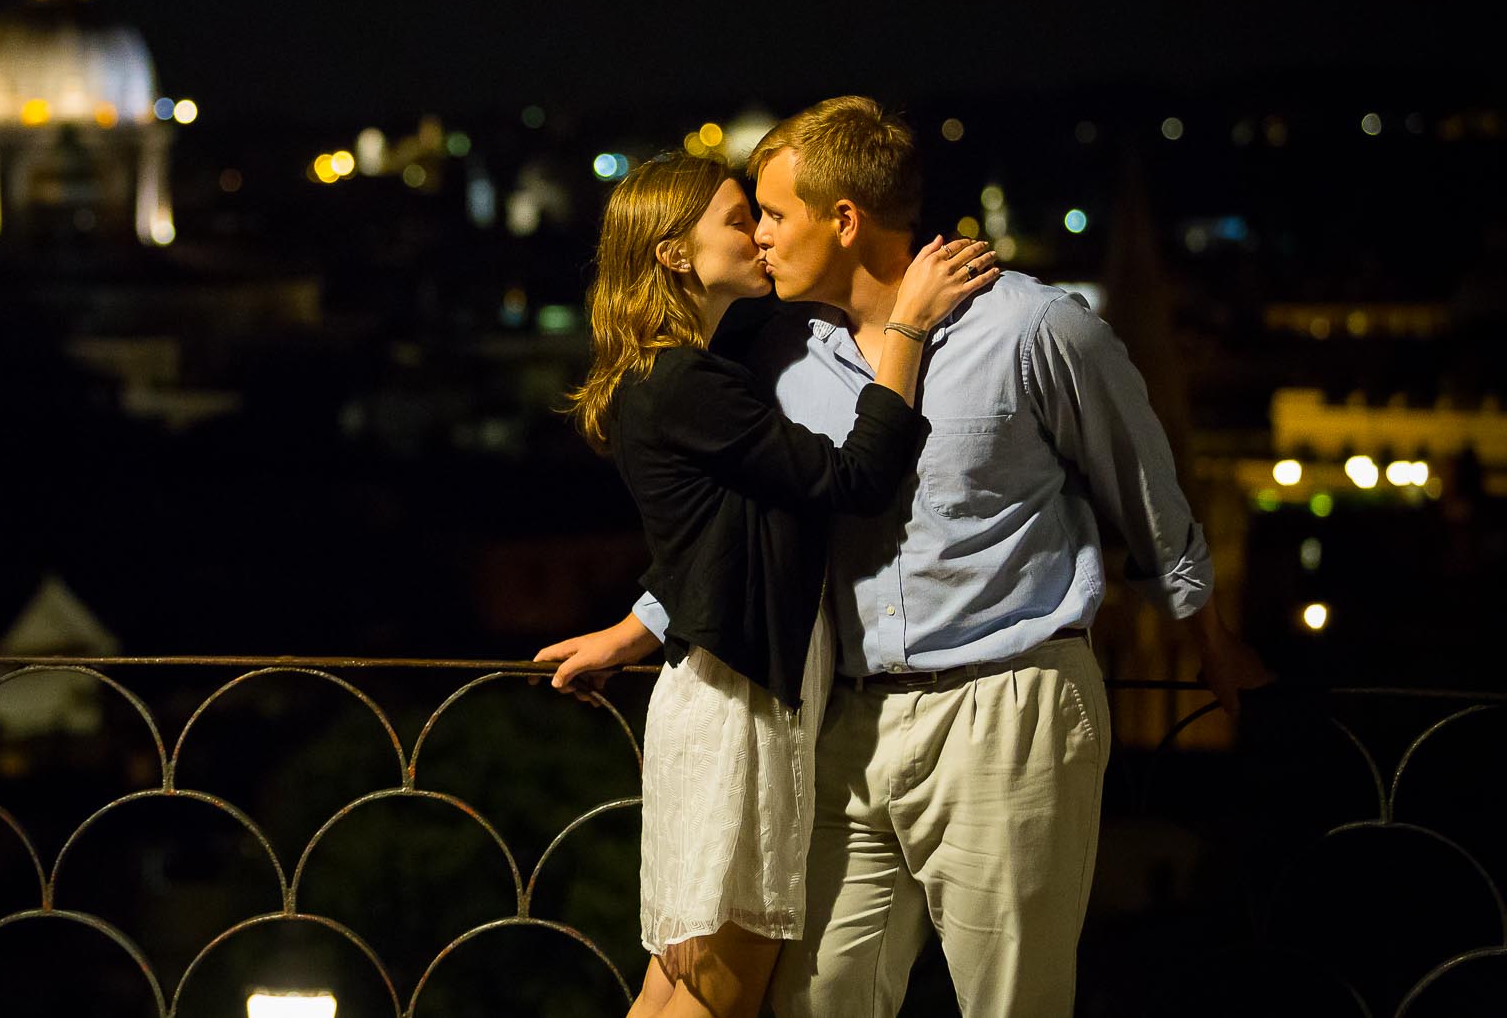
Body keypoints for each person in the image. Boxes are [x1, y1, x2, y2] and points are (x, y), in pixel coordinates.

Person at [539, 97, 1272, 1018]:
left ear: (842, 220)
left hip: (1003, 709)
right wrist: (641, 626)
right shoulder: (781, 353)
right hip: (843, 720)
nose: (762, 237)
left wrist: (1205, 635)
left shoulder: (1034, 327)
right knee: (809, 1000)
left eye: (772, 213)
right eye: (750, 217)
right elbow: (750, 519)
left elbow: (1147, 489)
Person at [552, 150, 999, 1018]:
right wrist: (905, 329)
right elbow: (854, 480)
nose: (759, 233)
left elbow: (714, 542)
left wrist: (632, 628)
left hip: (728, 696)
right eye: (735, 219)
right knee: (716, 990)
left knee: (682, 984)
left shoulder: (685, 371)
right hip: (737, 708)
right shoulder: (687, 381)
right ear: (674, 254)